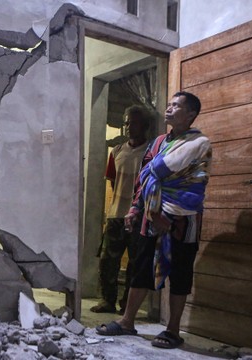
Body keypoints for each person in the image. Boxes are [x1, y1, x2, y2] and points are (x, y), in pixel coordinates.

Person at [95, 91, 212, 350]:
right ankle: (127, 321)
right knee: (141, 267)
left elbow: (193, 187)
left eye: (176, 106)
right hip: (150, 216)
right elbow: (145, 179)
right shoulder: (158, 143)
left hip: (183, 220)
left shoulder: (200, 143)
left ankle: (172, 330)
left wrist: (167, 216)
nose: (169, 109)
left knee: (180, 272)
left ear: (191, 114)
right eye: (169, 104)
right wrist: (137, 209)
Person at [91, 105, 151, 315]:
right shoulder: (116, 151)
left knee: (135, 262)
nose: (128, 127)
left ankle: (127, 305)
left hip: (139, 217)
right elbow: (113, 182)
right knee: (108, 261)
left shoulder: (151, 151)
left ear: (144, 125)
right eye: (126, 122)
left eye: (132, 122)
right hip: (116, 215)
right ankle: (107, 300)